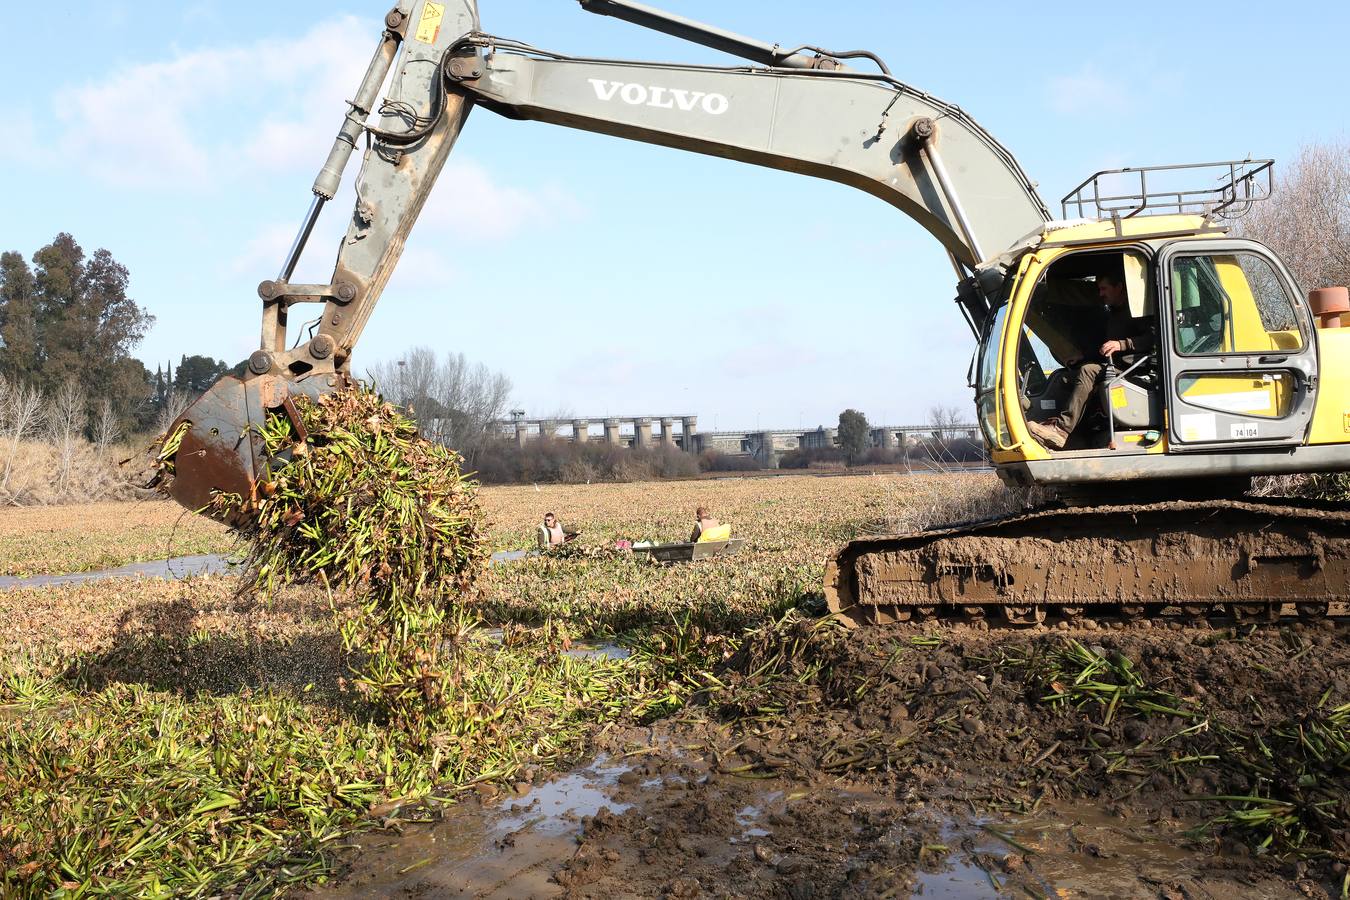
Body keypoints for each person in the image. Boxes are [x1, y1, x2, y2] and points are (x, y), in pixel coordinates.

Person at [1027, 268, 1155, 451]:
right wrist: (1083, 356)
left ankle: (1061, 430)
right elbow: (1105, 349)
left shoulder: (1137, 310)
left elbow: (1153, 338)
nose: (1100, 294)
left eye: (1104, 289)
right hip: (1115, 365)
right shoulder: (1113, 314)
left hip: (1134, 367)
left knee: (1088, 371)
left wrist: (1122, 344)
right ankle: (1075, 433)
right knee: (1066, 377)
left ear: (1119, 287)